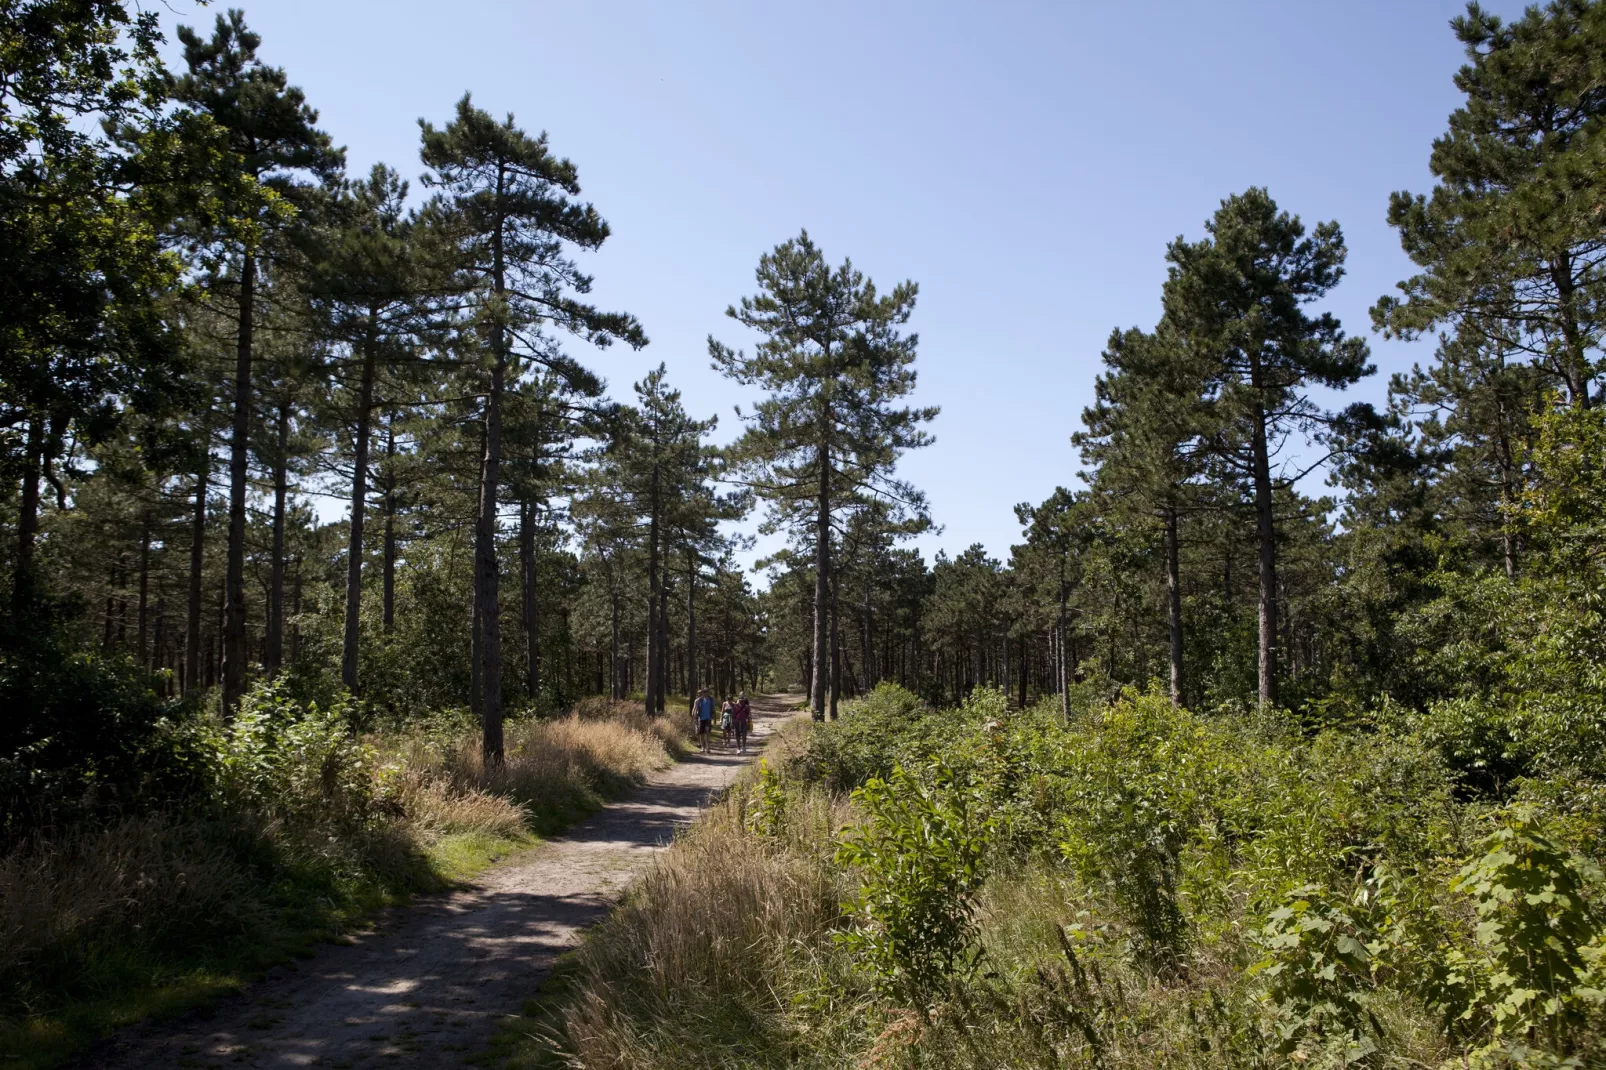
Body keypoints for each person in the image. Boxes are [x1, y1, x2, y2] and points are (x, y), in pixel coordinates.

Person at [693, 687, 715, 753]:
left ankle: (708, 747)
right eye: (705, 691)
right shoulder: (699, 700)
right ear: (703, 692)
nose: (706, 693)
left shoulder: (711, 699)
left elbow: (713, 708)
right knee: (701, 733)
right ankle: (703, 747)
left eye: (707, 691)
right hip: (701, 719)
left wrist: (714, 718)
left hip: (708, 719)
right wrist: (695, 716)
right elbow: (696, 709)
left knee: (707, 733)